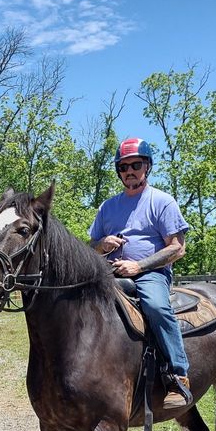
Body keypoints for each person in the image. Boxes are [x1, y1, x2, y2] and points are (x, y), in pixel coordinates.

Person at [89, 137, 193, 410]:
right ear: (118, 171)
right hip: (110, 272)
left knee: (156, 307)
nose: (130, 171)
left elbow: (177, 248)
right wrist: (102, 244)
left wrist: (139, 266)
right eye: (124, 167)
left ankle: (178, 376)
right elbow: (90, 246)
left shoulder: (162, 201)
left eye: (136, 164)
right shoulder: (107, 207)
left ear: (147, 166)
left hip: (151, 274)